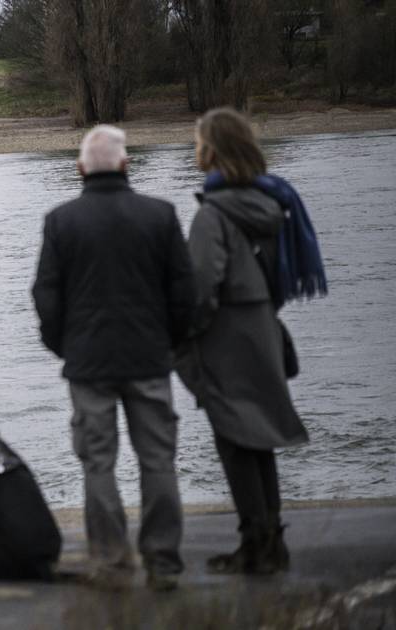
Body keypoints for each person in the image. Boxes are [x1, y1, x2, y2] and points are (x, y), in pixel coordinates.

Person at [32, 125, 194, 592]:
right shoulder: (160, 215)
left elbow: (46, 295)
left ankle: (111, 561)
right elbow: (184, 292)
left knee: (97, 462)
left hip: (88, 362)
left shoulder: (61, 221)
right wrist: (170, 340)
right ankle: (163, 561)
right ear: (126, 165)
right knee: (158, 460)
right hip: (149, 357)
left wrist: (64, 345)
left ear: (81, 168)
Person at [177, 107, 321, 575]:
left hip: (227, 339)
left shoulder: (213, 214)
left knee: (235, 442)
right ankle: (271, 542)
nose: (195, 151)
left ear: (214, 150)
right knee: (257, 440)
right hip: (262, 328)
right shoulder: (271, 203)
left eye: (199, 143)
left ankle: (255, 547)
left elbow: (200, 288)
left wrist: (182, 339)